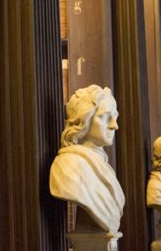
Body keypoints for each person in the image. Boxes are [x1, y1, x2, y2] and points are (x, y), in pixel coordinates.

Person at [49, 85, 124, 234]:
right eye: (104, 117)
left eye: (115, 117)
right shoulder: (68, 166)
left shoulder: (104, 165)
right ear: (83, 120)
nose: (114, 126)